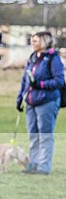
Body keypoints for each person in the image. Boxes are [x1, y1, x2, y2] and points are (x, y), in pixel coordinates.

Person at [15, 31, 64, 175]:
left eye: (36, 41)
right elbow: (25, 80)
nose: (33, 43)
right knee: (33, 134)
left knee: (45, 135)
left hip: (47, 101)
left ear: (44, 42)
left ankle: (44, 166)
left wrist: (40, 84)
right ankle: (33, 164)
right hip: (31, 102)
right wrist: (19, 99)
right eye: (32, 40)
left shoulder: (53, 59)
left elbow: (59, 81)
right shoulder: (32, 59)